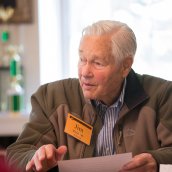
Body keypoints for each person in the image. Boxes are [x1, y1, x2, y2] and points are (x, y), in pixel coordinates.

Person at [6, 20, 172, 172]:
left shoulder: (162, 95)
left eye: (97, 63)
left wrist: (157, 160)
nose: (85, 72)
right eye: (82, 59)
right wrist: (35, 158)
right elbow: (16, 153)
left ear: (125, 66)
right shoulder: (51, 97)